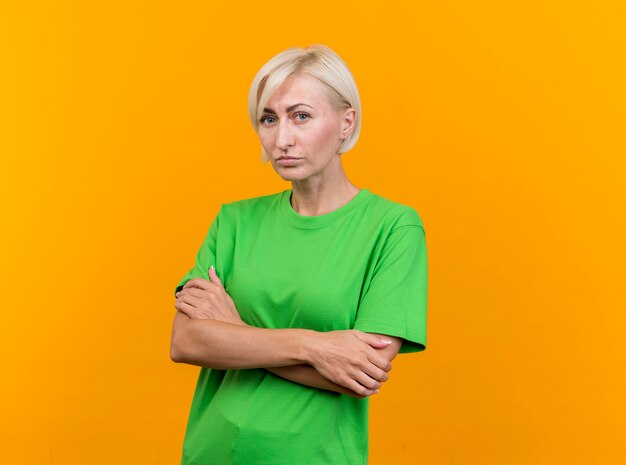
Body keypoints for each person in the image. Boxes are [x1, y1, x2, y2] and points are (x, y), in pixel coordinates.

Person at [170, 44, 428, 465]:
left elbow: (361, 374)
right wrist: (314, 347)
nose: (282, 139)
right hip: (211, 452)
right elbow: (186, 341)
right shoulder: (234, 221)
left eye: (301, 116)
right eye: (268, 119)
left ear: (347, 123)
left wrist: (233, 330)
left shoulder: (392, 227)